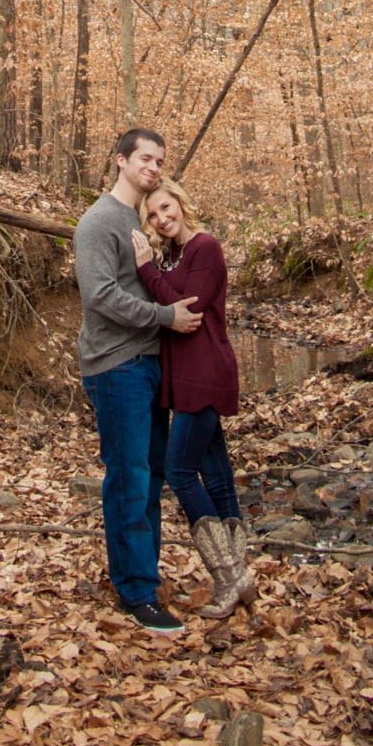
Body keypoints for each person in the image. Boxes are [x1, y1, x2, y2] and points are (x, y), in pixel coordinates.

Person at [74, 127, 202, 634]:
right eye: (145, 159)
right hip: (115, 366)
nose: (153, 167)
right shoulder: (98, 222)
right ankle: (136, 593)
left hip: (149, 366)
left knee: (149, 477)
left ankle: (142, 577)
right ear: (121, 160)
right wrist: (165, 317)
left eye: (160, 160)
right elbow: (100, 297)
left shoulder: (142, 218)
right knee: (128, 477)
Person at [133, 178, 254, 620]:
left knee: (182, 475)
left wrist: (147, 270)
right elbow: (170, 301)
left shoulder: (206, 247)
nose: (163, 219)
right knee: (216, 473)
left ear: (180, 202)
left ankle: (227, 576)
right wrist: (156, 269)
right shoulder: (176, 254)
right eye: (153, 216)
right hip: (186, 376)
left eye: (166, 208)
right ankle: (239, 577)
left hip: (205, 373)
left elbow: (188, 306)